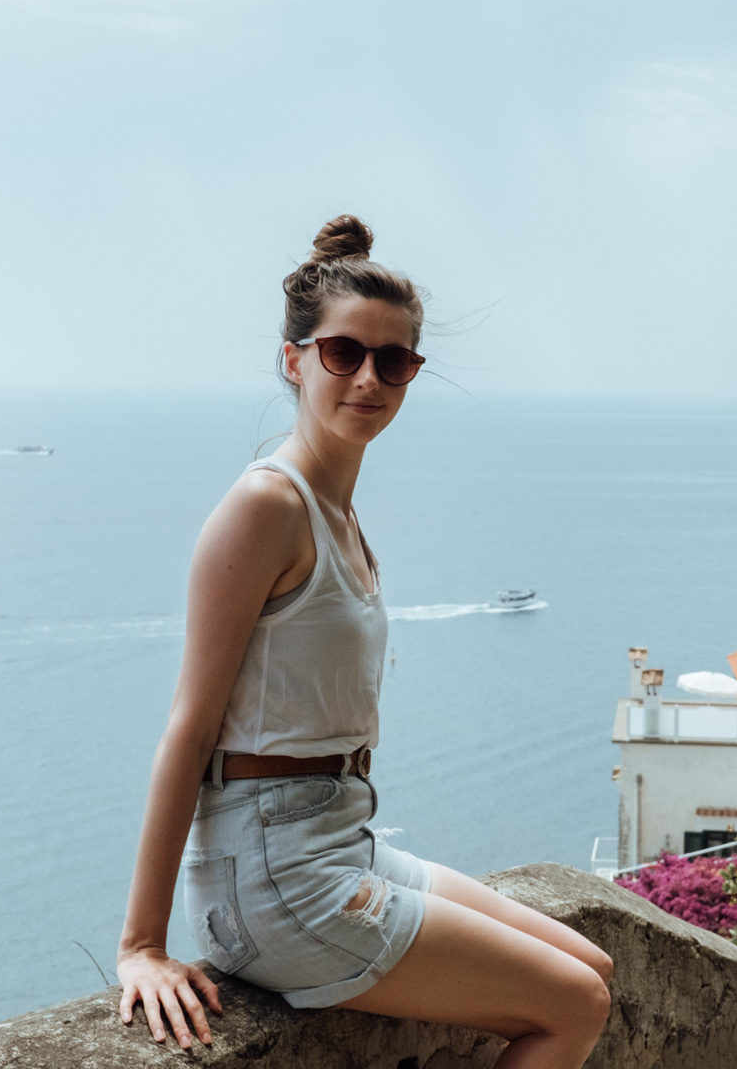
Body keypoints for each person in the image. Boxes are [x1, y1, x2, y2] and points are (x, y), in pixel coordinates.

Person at [115, 216, 613, 1069]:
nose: (370, 378)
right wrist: (141, 945)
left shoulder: (337, 509)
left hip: (339, 837)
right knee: (575, 1005)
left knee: (595, 963)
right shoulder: (266, 508)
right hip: (276, 875)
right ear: (295, 359)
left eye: (396, 361)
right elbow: (189, 728)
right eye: (345, 354)